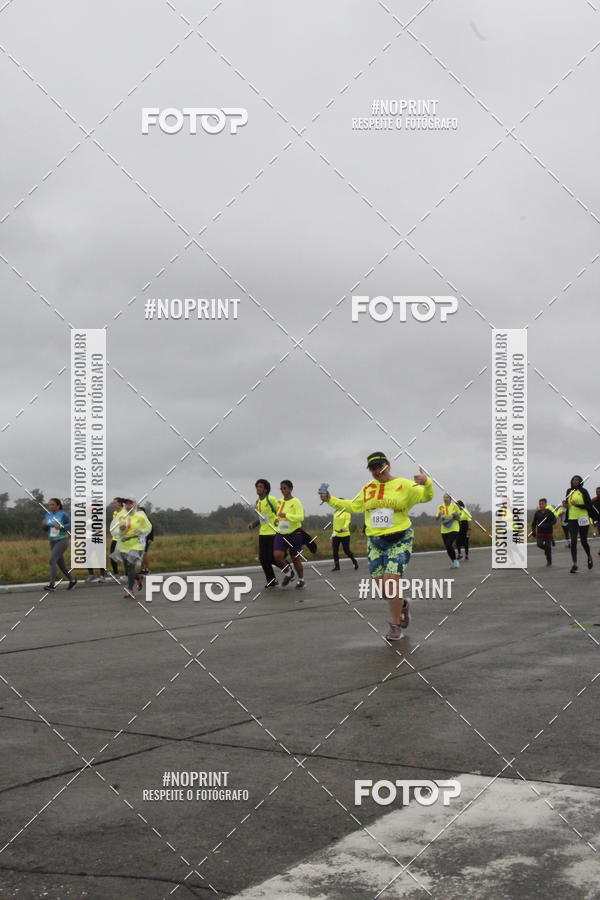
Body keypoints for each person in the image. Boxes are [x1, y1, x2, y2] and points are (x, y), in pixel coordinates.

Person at [320, 451, 433, 641]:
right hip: (375, 542)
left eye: (379, 467)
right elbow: (352, 506)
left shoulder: (404, 485)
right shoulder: (367, 489)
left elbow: (427, 497)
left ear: (388, 465)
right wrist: (330, 499)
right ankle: (403, 604)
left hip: (399, 539)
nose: (376, 471)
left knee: (391, 581)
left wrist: (426, 482)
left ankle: (395, 626)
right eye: (372, 468)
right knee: (384, 590)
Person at [115, 499, 152, 597]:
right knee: (127, 568)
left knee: (131, 565)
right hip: (125, 545)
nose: (128, 506)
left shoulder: (140, 515)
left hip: (137, 545)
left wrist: (141, 531)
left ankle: (129, 589)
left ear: (134, 506)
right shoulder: (122, 516)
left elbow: (148, 527)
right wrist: (121, 529)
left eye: (130, 504)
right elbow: (118, 532)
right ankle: (137, 578)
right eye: (126, 504)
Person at [273, 480, 306, 591]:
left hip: (294, 533)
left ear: (291, 489)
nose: (282, 490)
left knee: (295, 559)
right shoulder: (279, 502)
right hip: (281, 533)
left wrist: (287, 515)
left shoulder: (296, 501)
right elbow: (277, 516)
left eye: (285, 488)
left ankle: (301, 580)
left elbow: (301, 517)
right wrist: (276, 521)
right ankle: (288, 573)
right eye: (281, 488)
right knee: (277, 556)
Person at [248, 478, 280, 588]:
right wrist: (253, 524)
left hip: (273, 532)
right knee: (262, 558)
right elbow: (260, 518)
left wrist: (278, 521)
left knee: (272, 557)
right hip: (263, 533)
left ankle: (287, 568)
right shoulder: (257, 502)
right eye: (257, 487)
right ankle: (271, 581)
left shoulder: (271, 499)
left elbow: (280, 513)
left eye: (260, 487)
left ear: (266, 489)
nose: (258, 489)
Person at [563, 475, 596, 573]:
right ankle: (574, 564)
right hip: (572, 519)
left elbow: (589, 505)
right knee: (573, 541)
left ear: (580, 481)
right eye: (573, 479)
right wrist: (565, 505)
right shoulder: (569, 491)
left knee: (583, 541)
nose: (575, 481)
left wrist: (579, 505)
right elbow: (567, 505)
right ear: (571, 481)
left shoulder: (583, 491)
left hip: (583, 518)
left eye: (577, 480)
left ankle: (589, 556)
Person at [42, 498, 77, 591]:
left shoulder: (63, 514)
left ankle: (52, 585)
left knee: (52, 560)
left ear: (58, 506)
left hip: (62, 540)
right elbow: (46, 529)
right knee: (61, 564)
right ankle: (72, 580)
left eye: (53, 504)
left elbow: (72, 525)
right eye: (49, 505)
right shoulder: (47, 515)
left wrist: (61, 526)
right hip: (52, 540)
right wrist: (44, 526)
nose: (50, 506)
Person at [436, 493, 461, 568]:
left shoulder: (454, 506)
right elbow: (436, 518)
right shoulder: (440, 507)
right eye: (444, 497)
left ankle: (456, 561)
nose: (445, 499)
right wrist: (439, 515)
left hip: (454, 528)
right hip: (444, 530)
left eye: (447, 497)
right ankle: (454, 561)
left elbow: (460, 514)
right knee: (447, 547)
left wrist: (455, 514)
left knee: (448, 544)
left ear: (450, 499)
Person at [331, 506, 358, 571]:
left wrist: (344, 527)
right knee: (335, 551)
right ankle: (337, 566)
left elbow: (347, 521)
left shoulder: (347, 512)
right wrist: (333, 533)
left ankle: (354, 561)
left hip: (345, 534)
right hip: (336, 535)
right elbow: (335, 524)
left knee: (346, 551)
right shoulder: (335, 513)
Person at [531, 499, 556, 566]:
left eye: (542, 504)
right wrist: (533, 531)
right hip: (540, 532)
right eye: (540, 504)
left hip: (548, 532)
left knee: (548, 546)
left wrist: (548, 524)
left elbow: (554, 520)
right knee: (539, 544)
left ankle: (549, 560)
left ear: (545, 504)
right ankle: (547, 550)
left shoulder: (549, 512)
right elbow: (534, 523)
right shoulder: (537, 513)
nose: (541, 505)